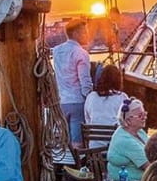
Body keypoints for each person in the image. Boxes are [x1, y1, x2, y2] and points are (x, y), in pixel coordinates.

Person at [52, 17, 92, 145]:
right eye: (84, 32)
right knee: (77, 142)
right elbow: (84, 81)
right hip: (77, 102)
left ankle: (66, 163)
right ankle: (78, 164)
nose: (87, 35)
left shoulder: (56, 51)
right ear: (75, 34)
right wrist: (90, 98)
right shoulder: (81, 53)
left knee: (65, 141)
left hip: (61, 102)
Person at [106, 97, 148, 181]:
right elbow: (149, 167)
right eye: (140, 116)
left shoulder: (139, 131)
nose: (145, 117)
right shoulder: (125, 140)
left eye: (144, 114)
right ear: (128, 120)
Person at [84, 63, 128, 137]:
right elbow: (127, 120)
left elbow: (87, 119)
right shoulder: (122, 97)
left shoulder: (91, 97)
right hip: (116, 142)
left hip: (94, 143)